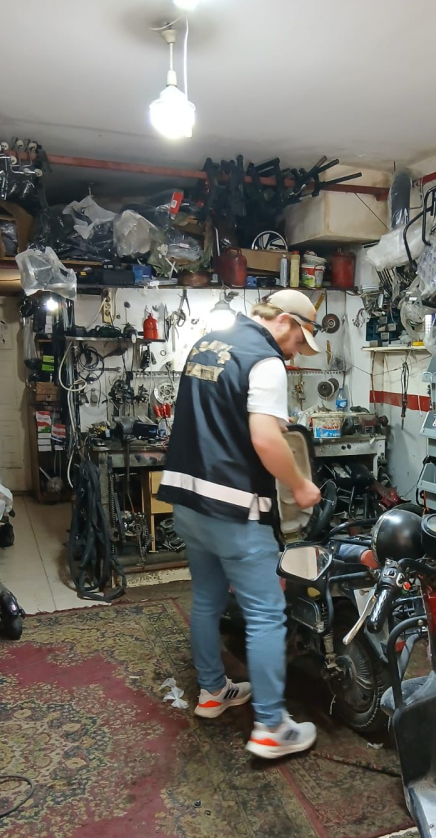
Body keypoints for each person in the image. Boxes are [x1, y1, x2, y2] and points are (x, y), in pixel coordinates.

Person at [158, 290, 322, 759]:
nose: (295, 353)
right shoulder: (265, 361)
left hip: (188, 501)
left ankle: (213, 691)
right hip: (233, 510)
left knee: (208, 600)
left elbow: (212, 417)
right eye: (300, 340)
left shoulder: (208, 343)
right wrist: (300, 486)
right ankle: (271, 727)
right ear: (285, 321)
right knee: (267, 615)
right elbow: (266, 440)